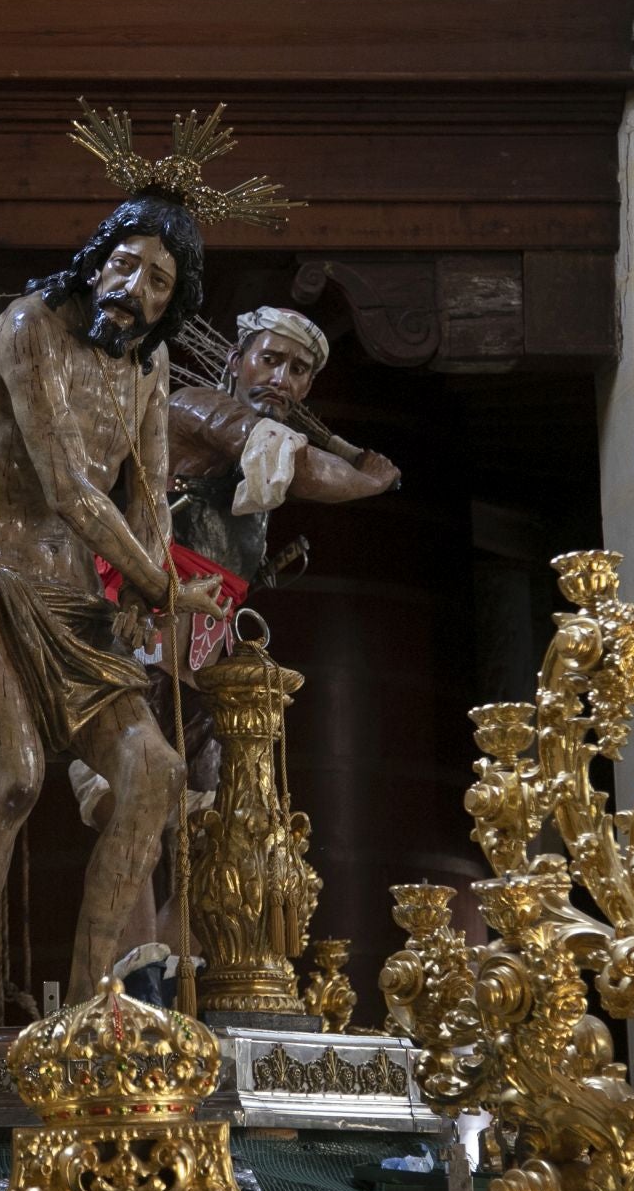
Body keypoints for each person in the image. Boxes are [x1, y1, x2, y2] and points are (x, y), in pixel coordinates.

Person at [0, 193, 229, 1025]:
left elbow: (146, 487)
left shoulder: (149, 363)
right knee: (14, 781)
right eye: (125, 261)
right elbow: (68, 483)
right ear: (97, 256)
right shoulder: (31, 324)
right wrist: (157, 586)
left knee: (156, 775)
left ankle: (84, 1014)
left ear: (171, 303)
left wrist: (150, 573)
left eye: (157, 281)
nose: (133, 287)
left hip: (75, 596)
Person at [70, 306, 402, 994]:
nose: (279, 377)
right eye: (268, 359)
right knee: (130, 803)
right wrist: (368, 479)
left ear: (309, 386)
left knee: (209, 830)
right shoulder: (203, 409)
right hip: (143, 625)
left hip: (208, 648)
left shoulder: (262, 433)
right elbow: (300, 463)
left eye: (298, 369)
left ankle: (175, 984)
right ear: (236, 360)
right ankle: (131, 988)